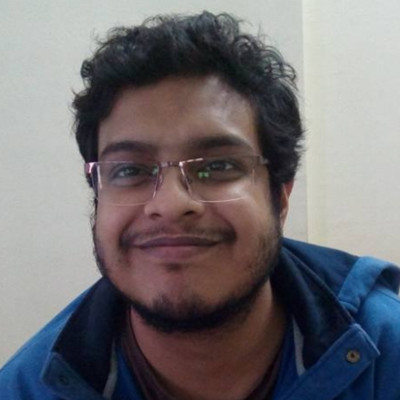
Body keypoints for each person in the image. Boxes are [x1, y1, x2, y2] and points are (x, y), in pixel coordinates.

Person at [1, 11, 399, 400]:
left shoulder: (388, 355)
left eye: (218, 166)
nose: (171, 204)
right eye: (130, 170)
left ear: (280, 197)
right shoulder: (27, 389)